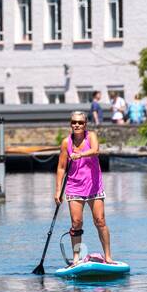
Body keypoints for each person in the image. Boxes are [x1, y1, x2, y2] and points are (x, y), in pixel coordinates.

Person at [55, 110, 115, 264]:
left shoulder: (91, 136)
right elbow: (61, 167)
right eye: (74, 122)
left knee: (100, 221)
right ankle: (76, 258)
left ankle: (108, 257)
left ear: (85, 124)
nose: (77, 125)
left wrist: (80, 154)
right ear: (70, 124)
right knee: (76, 223)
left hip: (94, 186)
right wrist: (57, 191)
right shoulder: (65, 142)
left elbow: (96, 151)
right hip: (74, 187)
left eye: (80, 122)